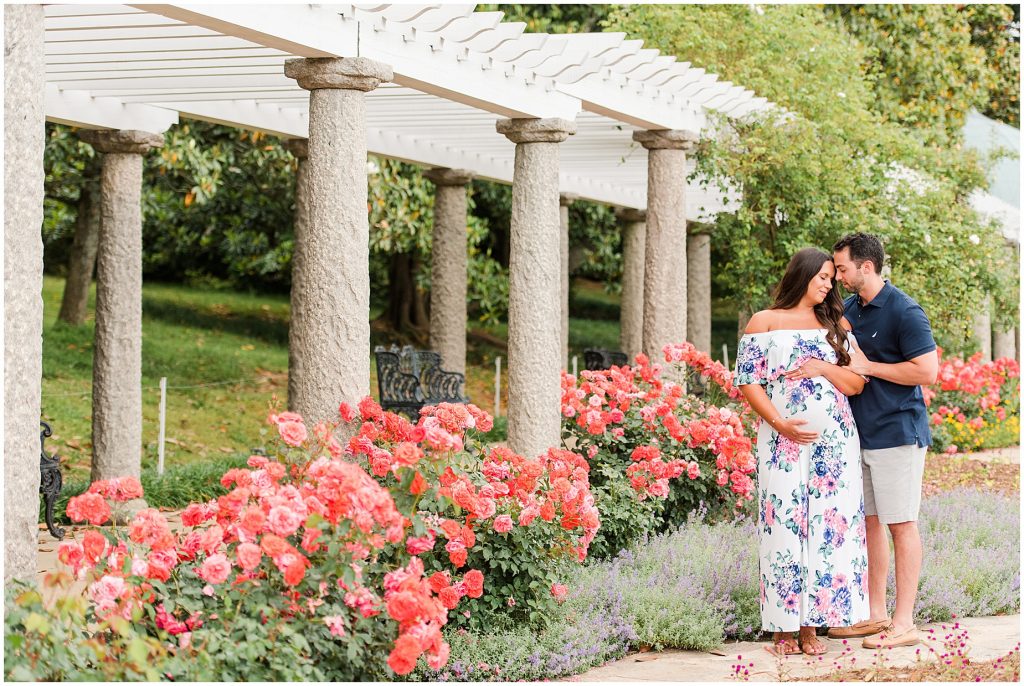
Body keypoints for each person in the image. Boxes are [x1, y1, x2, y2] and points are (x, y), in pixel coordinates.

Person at [735, 247, 869, 657]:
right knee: (785, 527)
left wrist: (824, 367)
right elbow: (747, 381)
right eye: (823, 276)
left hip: (835, 447)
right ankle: (782, 630)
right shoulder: (765, 322)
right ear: (804, 274)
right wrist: (780, 423)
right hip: (782, 442)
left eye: (833, 277)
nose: (830, 283)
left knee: (827, 530)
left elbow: (857, 384)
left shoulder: (835, 324)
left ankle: (811, 628)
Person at [827, 233, 938, 649]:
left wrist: (870, 366)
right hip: (861, 433)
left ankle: (904, 622)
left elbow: (927, 372)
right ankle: (875, 616)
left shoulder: (905, 311)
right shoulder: (852, 309)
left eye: (842, 269)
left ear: (866, 267)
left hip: (898, 434)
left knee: (901, 524)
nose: (838, 276)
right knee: (871, 524)